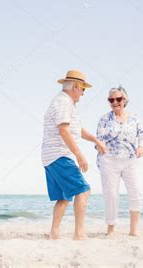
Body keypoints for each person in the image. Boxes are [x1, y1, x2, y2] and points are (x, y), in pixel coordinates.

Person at [41, 70, 106, 240]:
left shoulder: (65, 103)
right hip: (60, 155)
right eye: (83, 89)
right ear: (76, 87)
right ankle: (79, 234)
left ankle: (54, 234)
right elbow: (63, 130)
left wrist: (96, 141)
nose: (83, 94)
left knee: (63, 197)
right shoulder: (64, 103)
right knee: (84, 190)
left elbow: (76, 130)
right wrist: (79, 154)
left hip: (51, 156)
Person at [96, 86, 143, 237]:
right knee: (111, 195)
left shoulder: (135, 119)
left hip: (131, 160)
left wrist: (142, 148)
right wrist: (99, 146)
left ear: (125, 100)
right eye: (111, 100)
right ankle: (111, 229)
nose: (115, 102)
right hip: (109, 160)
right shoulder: (104, 119)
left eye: (118, 99)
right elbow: (99, 139)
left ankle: (134, 230)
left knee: (137, 193)